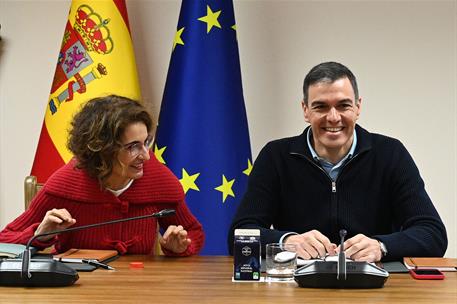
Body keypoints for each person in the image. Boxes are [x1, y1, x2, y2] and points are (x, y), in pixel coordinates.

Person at [228, 62, 447, 262]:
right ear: (305, 110)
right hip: (298, 288)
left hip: (374, 287)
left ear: (358, 107)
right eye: (321, 107)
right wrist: (286, 241)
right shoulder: (275, 156)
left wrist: (382, 246)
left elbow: (433, 233)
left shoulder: (390, 154)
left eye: (343, 105)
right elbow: (239, 235)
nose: (333, 117)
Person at [0, 95, 205, 256]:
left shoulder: (160, 180)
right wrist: (39, 235)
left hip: (140, 289)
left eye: (147, 142)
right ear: (103, 150)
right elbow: (5, 240)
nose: (146, 156)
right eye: (133, 146)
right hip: (76, 292)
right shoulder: (65, 183)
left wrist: (180, 246)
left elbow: (194, 232)